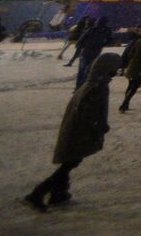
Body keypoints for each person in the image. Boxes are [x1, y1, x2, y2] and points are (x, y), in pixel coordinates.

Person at [24, 52, 120, 212]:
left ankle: (59, 193)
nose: (117, 71)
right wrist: (101, 127)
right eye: (115, 68)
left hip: (75, 130)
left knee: (70, 162)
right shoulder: (98, 87)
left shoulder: (91, 83)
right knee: (69, 164)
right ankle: (37, 193)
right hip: (80, 133)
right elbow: (91, 114)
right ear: (108, 68)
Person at [74, 17, 112, 88]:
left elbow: (82, 38)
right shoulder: (106, 30)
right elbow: (110, 40)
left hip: (87, 50)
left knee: (82, 69)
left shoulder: (92, 29)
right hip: (96, 50)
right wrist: (102, 44)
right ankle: (87, 85)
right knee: (91, 68)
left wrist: (82, 44)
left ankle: (79, 86)